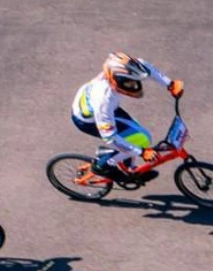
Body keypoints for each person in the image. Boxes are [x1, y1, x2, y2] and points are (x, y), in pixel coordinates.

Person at [71, 51, 185, 181]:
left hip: (100, 109)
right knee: (141, 139)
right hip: (89, 121)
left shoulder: (117, 70)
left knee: (137, 136)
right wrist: (142, 152)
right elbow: (110, 138)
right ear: (117, 82)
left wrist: (170, 84)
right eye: (130, 83)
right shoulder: (104, 101)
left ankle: (129, 167)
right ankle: (103, 166)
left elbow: (145, 67)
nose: (134, 86)